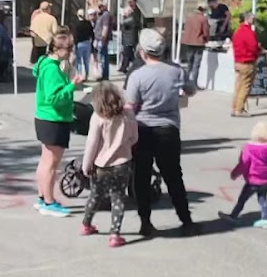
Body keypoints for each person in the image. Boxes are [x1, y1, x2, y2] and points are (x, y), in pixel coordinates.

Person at [126, 28, 194, 236]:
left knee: (142, 177)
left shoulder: (137, 75)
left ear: (142, 51)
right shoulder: (176, 71)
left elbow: (130, 106)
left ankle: (145, 221)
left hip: (143, 129)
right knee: (174, 176)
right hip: (169, 128)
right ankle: (186, 220)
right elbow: (191, 90)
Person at [79, 81, 137, 247]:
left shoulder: (98, 117)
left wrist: (86, 165)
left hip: (100, 164)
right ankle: (114, 234)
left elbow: (92, 143)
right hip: (122, 162)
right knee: (118, 197)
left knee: (95, 195)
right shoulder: (128, 114)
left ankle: (86, 224)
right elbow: (134, 138)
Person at [32, 31, 80, 218]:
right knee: (51, 164)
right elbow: (54, 98)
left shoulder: (45, 63)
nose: (70, 53)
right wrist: (71, 86)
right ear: (58, 49)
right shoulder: (52, 69)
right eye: (69, 49)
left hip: (46, 117)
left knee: (45, 161)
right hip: (54, 118)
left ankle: (43, 197)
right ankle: (49, 202)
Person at [221, 120, 267, 229]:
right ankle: (265, 219)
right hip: (266, 179)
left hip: (252, 180)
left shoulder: (249, 148)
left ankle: (234, 215)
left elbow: (243, 163)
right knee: (262, 198)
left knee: (242, 199)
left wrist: (235, 173)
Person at [231, 11, 261, 117]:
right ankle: (239, 109)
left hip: (238, 61)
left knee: (238, 86)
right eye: (253, 18)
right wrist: (259, 50)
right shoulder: (248, 32)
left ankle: (235, 108)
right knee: (245, 87)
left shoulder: (237, 31)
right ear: (248, 19)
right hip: (247, 62)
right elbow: (253, 46)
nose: (254, 20)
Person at [180, 3, 209, 88]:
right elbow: (206, 32)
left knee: (189, 64)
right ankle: (194, 84)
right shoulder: (203, 19)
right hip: (198, 43)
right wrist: (207, 40)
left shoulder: (189, 17)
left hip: (188, 42)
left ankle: (186, 82)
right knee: (196, 65)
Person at [119, 0, 144, 74]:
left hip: (132, 35)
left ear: (135, 2)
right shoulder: (127, 10)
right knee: (127, 52)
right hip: (126, 34)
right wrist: (124, 16)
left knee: (128, 52)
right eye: (128, 2)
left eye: (131, 2)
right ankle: (125, 66)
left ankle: (128, 66)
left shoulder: (136, 11)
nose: (129, 3)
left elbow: (135, 22)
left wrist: (127, 19)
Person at [92, 0, 114, 80]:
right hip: (99, 39)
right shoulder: (101, 15)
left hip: (102, 39)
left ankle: (105, 75)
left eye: (101, 6)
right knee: (101, 58)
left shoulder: (106, 15)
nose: (99, 7)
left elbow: (105, 27)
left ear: (105, 6)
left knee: (103, 58)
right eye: (99, 6)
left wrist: (103, 39)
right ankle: (103, 75)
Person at [72, 9, 95, 81]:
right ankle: (87, 75)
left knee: (79, 61)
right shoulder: (88, 23)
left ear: (78, 15)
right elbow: (92, 34)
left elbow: (75, 36)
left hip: (79, 44)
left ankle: (79, 75)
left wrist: (74, 45)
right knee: (86, 60)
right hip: (87, 43)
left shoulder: (76, 24)